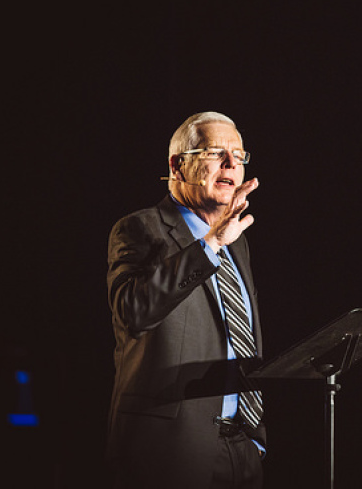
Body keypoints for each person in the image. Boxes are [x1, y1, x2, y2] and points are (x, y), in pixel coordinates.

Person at [106, 111, 266, 488]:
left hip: (241, 449)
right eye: (216, 152)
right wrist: (210, 245)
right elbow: (135, 312)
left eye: (239, 156)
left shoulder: (238, 241)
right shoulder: (140, 228)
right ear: (177, 166)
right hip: (170, 453)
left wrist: (256, 440)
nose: (231, 164)